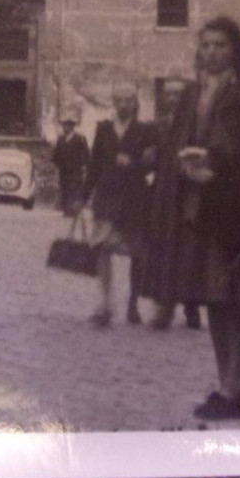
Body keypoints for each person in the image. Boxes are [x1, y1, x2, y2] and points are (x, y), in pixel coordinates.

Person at [143, 17, 240, 424]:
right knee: (212, 298)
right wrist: (181, 165)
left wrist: (217, 162)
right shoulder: (193, 93)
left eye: (220, 45)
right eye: (206, 45)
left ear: (236, 51)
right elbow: (177, 142)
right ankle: (224, 382)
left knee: (234, 297)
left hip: (235, 209)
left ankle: (233, 388)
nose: (211, 52)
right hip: (198, 209)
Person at [84, 84, 157, 327]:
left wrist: (133, 163)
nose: (124, 105)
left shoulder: (145, 131)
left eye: (129, 101)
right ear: (114, 102)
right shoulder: (103, 129)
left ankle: (133, 304)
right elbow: (94, 164)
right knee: (102, 247)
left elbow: (151, 166)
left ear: (135, 103)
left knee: (137, 253)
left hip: (134, 199)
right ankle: (105, 304)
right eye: (120, 100)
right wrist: (83, 196)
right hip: (106, 196)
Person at [147, 74, 202, 332]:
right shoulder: (160, 126)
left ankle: (191, 307)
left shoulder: (197, 127)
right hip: (163, 197)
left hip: (187, 197)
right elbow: (152, 160)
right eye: (168, 94)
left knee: (189, 252)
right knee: (164, 249)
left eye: (177, 94)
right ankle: (164, 306)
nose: (172, 99)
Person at [51, 115, 90, 217]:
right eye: (64, 125)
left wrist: (84, 166)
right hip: (63, 169)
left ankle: (73, 210)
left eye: (68, 126)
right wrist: (57, 164)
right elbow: (56, 154)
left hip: (75, 169)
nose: (65, 128)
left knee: (74, 189)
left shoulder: (80, 138)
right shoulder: (60, 139)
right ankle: (66, 209)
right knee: (65, 188)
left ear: (72, 127)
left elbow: (86, 154)